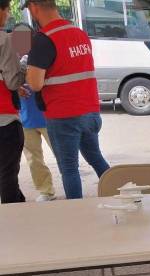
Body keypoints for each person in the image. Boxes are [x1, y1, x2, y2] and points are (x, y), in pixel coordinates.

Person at [22, 0, 109, 199]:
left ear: (34, 7)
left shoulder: (43, 40)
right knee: (96, 158)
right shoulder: (79, 33)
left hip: (63, 115)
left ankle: (76, 214)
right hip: (90, 111)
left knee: (69, 169)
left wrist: (27, 70)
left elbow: (35, 84)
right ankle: (119, 194)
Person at [0, 0, 26, 203]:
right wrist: (24, 66)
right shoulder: (5, 40)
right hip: (5, 119)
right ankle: (13, 221)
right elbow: (12, 81)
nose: (8, 14)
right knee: (7, 175)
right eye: (7, 9)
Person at [20, 84, 56, 202]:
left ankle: (72, 186)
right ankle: (46, 190)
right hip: (25, 118)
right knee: (34, 160)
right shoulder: (14, 66)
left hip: (50, 116)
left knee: (62, 157)